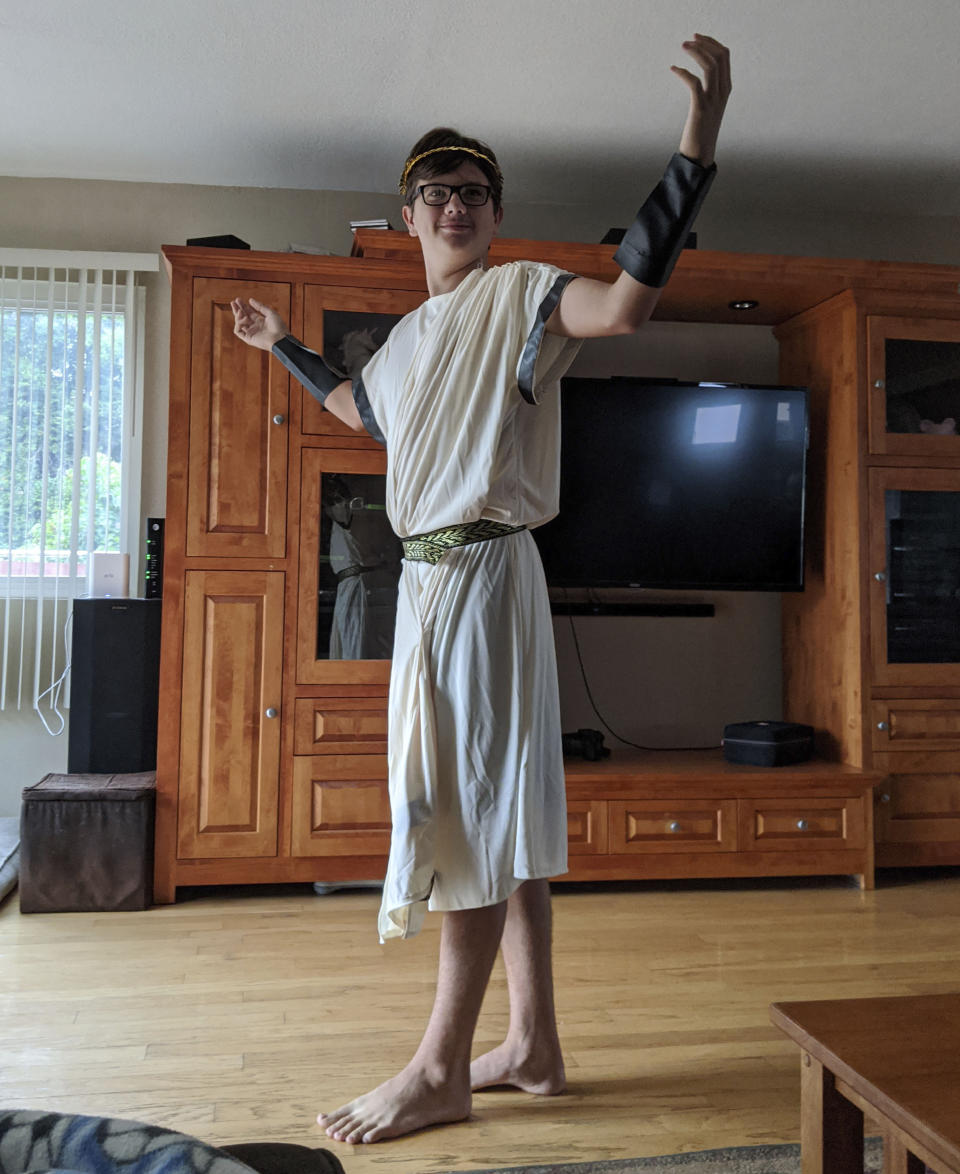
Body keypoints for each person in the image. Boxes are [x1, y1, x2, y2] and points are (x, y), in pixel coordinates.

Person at [231, 34, 731, 1145]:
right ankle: (535, 1045)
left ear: (494, 214)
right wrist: (281, 347)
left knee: (461, 817)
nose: (455, 205)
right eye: (435, 192)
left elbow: (623, 309)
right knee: (490, 815)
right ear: (406, 214)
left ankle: (442, 1066)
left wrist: (694, 149)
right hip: (428, 585)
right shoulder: (409, 342)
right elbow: (356, 410)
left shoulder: (520, 295)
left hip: (482, 570)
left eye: (473, 192)